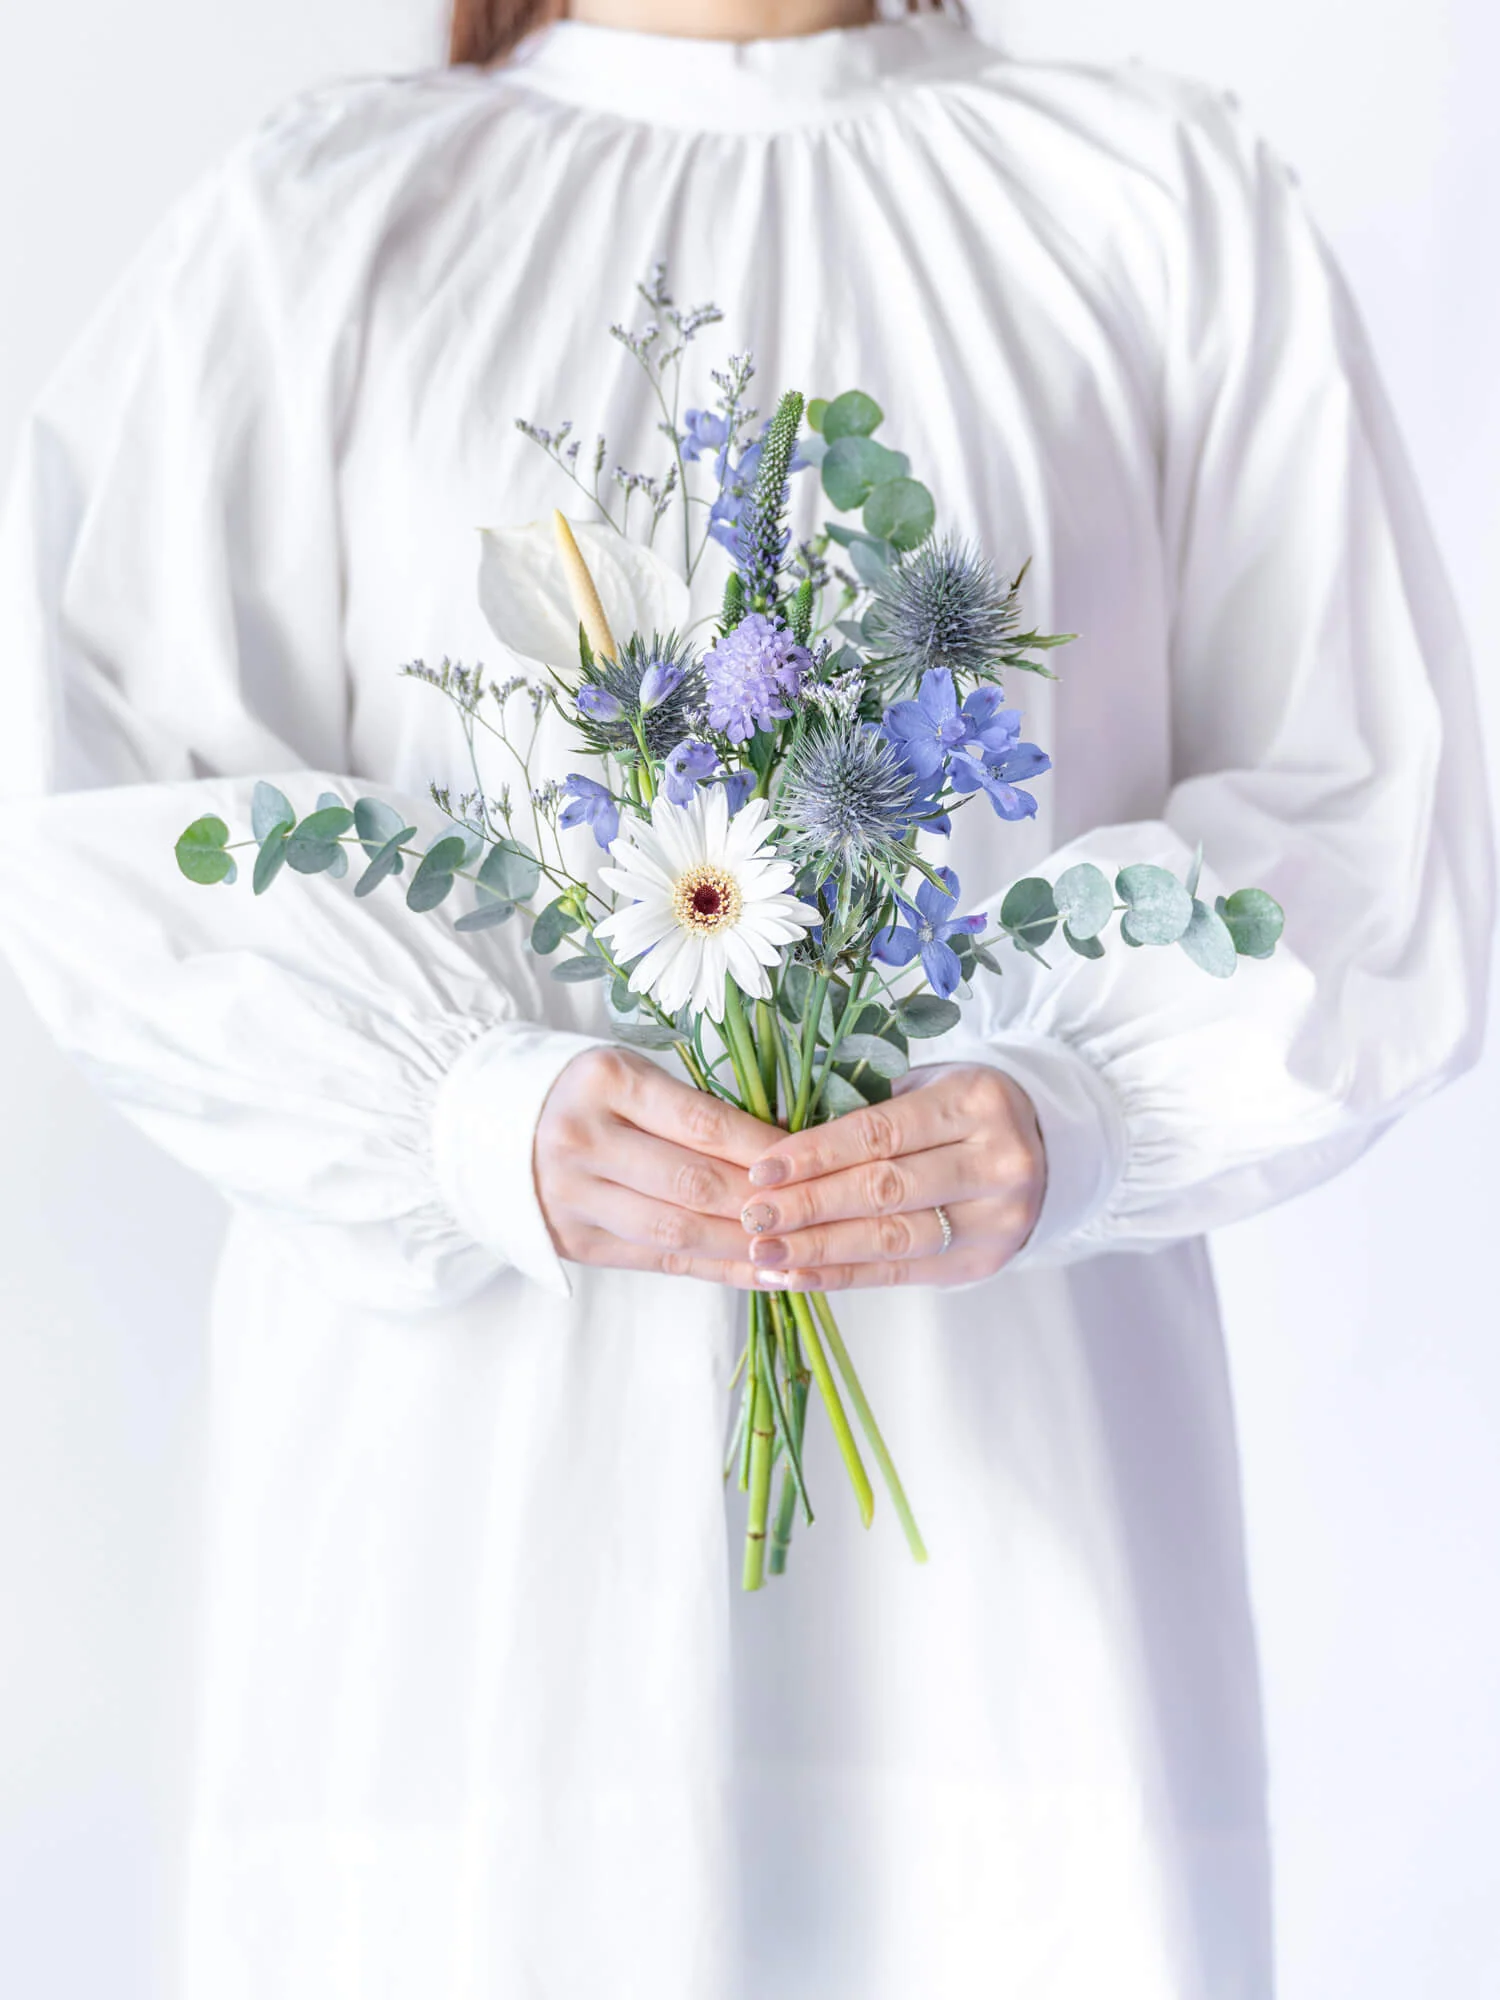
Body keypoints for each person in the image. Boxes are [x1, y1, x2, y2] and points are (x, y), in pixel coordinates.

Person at [0, 1, 1490, 1993]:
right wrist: (460, 1112)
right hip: (470, 1607)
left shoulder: (1148, 204)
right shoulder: (331, 224)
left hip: (1014, 1609)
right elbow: (110, 817)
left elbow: (1366, 818)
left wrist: (1085, 1106)